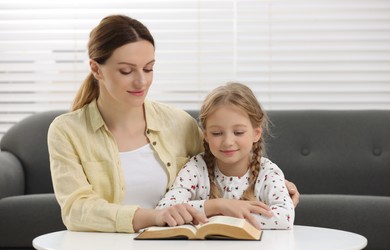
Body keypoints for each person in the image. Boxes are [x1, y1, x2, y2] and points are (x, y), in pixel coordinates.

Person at [48, 14, 299, 234]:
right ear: (96, 68)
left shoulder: (179, 123)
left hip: (171, 247)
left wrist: (271, 183)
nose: (141, 82)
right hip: (101, 249)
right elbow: (76, 210)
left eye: (149, 69)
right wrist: (154, 216)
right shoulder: (67, 131)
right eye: (126, 71)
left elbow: (219, 164)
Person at [157, 82, 294, 230]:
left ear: (256, 134)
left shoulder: (268, 172)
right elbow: (165, 209)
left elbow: (284, 217)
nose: (228, 142)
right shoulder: (196, 168)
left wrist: (216, 218)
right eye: (217, 133)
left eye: (238, 132)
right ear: (206, 135)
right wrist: (217, 206)